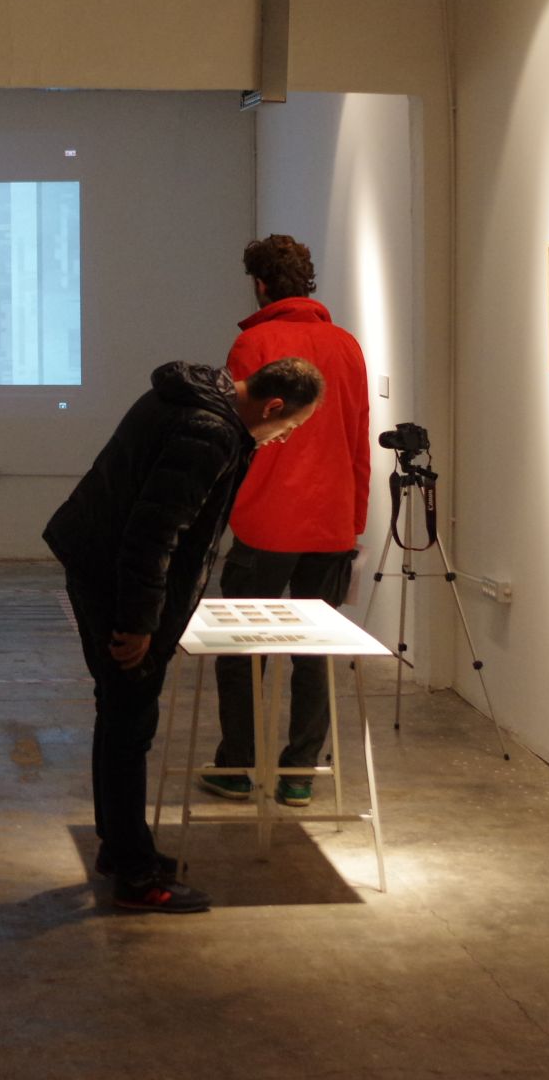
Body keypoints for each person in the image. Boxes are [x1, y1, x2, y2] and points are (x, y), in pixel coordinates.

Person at [44, 357, 322, 913]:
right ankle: (137, 878)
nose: (284, 438)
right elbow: (153, 533)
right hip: (116, 581)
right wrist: (138, 623)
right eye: (289, 426)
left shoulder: (190, 398)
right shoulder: (209, 432)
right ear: (271, 406)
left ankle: (121, 848)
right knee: (129, 724)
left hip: (96, 562)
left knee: (117, 714)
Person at [201, 236, 372, 807]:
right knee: (314, 652)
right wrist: (354, 520)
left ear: (261, 284)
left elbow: (235, 433)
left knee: (241, 650)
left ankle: (238, 767)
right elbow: (357, 440)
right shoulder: (346, 346)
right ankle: (300, 773)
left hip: (265, 523)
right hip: (330, 525)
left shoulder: (254, 343)